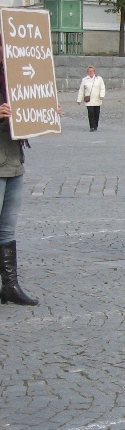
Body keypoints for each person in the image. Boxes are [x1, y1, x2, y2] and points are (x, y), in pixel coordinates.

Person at [0, 95, 40, 306]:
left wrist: (47, 112)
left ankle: (9, 286)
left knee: (7, 229)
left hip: (14, 162)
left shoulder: (13, 82)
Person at [76, 65, 105, 132]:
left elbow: (102, 88)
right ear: (87, 72)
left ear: (94, 71)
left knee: (96, 113)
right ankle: (92, 126)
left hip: (97, 99)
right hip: (89, 100)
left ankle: (96, 125)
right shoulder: (84, 80)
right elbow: (81, 90)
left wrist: (102, 95)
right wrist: (79, 99)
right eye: (89, 71)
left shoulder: (99, 79)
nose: (90, 72)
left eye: (92, 71)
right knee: (91, 112)